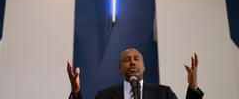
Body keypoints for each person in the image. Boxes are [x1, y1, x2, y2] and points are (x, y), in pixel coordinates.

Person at [67, 48, 204, 99]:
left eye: (136, 59)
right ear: (119, 68)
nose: (132, 62)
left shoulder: (163, 94)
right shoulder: (105, 96)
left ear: (144, 67)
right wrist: (75, 92)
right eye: (126, 60)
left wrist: (193, 88)